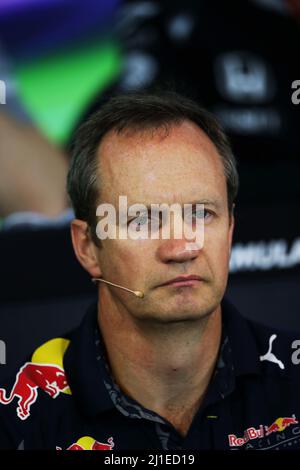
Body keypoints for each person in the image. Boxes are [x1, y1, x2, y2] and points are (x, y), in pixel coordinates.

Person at [0, 91, 300, 451]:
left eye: (202, 213)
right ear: (87, 247)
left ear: (231, 227)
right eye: (142, 220)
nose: (181, 248)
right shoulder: (18, 420)